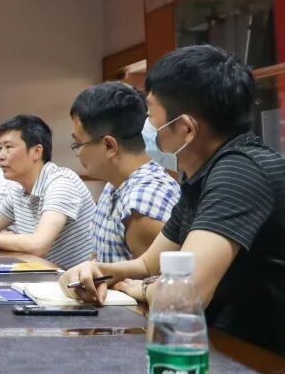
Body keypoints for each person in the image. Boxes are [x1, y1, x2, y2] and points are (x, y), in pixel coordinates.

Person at [63, 46, 285, 355]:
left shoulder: (239, 171)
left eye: (151, 115)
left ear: (186, 129)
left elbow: (184, 296)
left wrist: (140, 288)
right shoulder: (200, 177)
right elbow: (147, 263)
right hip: (227, 343)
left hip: (262, 359)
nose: (146, 128)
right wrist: (97, 270)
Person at [0, 114, 95, 269]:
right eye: (0, 148)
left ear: (36, 152)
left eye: (8, 147)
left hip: (78, 280)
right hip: (44, 275)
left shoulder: (61, 181)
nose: (1, 156)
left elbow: (38, 245)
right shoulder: (18, 190)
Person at [70, 82, 180, 270]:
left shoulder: (141, 204)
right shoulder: (115, 184)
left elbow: (156, 282)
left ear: (109, 146)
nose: (78, 153)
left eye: (78, 144)